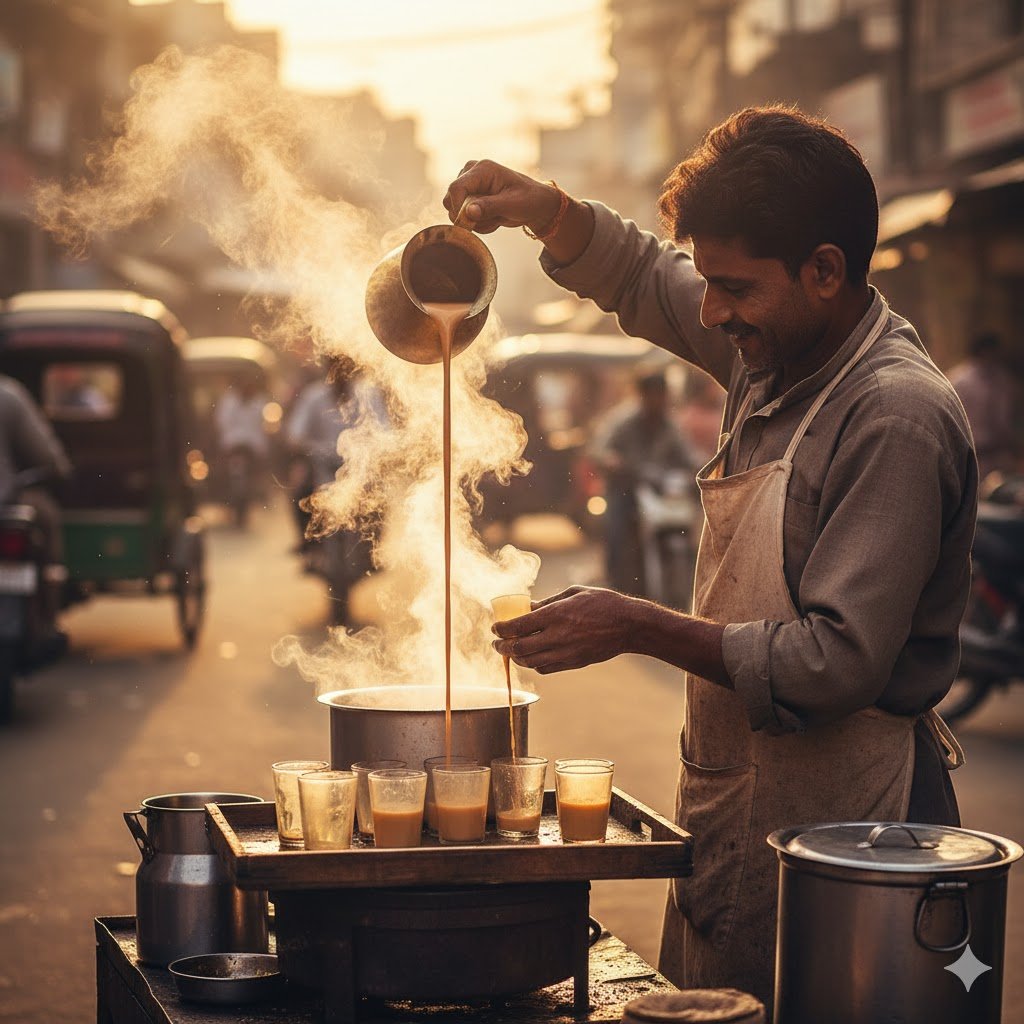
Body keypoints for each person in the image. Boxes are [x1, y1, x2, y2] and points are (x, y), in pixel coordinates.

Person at [444, 106, 976, 1011]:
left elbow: (835, 661)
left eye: (732, 287)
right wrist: (549, 211)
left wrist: (636, 624)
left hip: (858, 828)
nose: (709, 310)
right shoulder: (776, 351)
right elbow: (652, 278)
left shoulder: (891, 414)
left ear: (824, 271)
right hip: (743, 802)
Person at [590, 371, 695, 595]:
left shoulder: (670, 426)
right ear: (643, 396)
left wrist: (702, 466)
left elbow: (689, 456)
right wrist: (610, 460)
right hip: (626, 489)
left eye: (662, 395)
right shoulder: (622, 422)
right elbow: (598, 450)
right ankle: (614, 586)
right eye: (653, 395)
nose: (659, 400)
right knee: (616, 531)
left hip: (659, 491)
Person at [0, 373, 72, 636]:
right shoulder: (7, 395)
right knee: (46, 515)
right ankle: (47, 620)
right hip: (5, 504)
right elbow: (48, 456)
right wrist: (59, 468)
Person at [946, 331, 1019, 482]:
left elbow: (1007, 418)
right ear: (981, 351)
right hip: (970, 453)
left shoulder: (1004, 380)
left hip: (998, 455)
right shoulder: (959, 380)